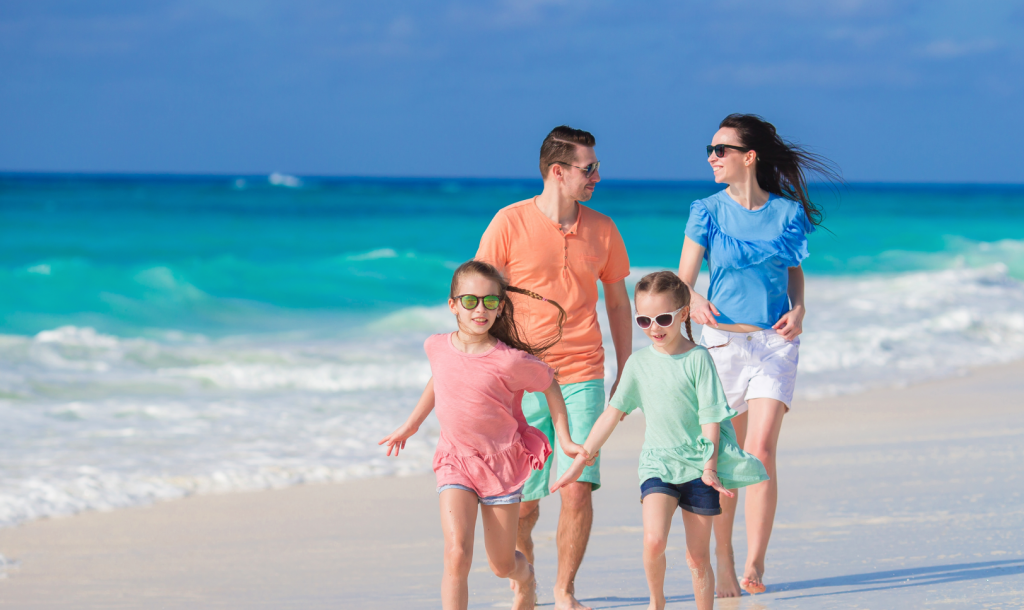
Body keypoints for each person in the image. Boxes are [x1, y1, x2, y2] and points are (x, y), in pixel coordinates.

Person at [678, 113, 840, 597]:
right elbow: (683, 279)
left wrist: (801, 309)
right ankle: (723, 558)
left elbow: (793, 271)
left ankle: (754, 561)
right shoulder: (705, 210)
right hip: (722, 344)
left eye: (720, 150)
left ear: (748, 157)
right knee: (725, 458)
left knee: (761, 451)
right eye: (709, 150)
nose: (711, 157)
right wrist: (693, 299)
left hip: (774, 342)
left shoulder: (788, 214)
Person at [476, 125, 632, 610]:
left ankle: (565, 591)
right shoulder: (508, 223)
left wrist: (627, 371)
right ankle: (526, 582)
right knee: (523, 502)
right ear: (557, 171)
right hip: (520, 378)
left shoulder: (603, 228)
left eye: (597, 168)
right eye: (589, 169)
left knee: (578, 489)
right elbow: (478, 298)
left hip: (583, 374)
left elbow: (619, 305)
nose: (598, 177)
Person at [379, 260, 591, 610]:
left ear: (500, 306)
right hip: (455, 460)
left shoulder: (510, 361)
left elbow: (550, 384)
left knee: (502, 565)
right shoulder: (436, 346)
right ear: (452, 305)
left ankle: (526, 578)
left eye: (490, 301)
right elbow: (440, 379)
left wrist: (565, 438)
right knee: (457, 553)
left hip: (501, 466)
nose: (480, 309)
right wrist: (412, 424)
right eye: (470, 300)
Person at [551, 271, 768, 610]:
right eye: (644, 320)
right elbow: (611, 414)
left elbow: (711, 417)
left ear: (683, 313)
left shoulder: (698, 359)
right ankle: (657, 602)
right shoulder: (638, 364)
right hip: (658, 464)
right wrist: (579, 460)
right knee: (653, 541)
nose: (655, 327)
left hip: (698, 466)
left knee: (697, 558)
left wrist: (710, 467)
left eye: (664, 318)